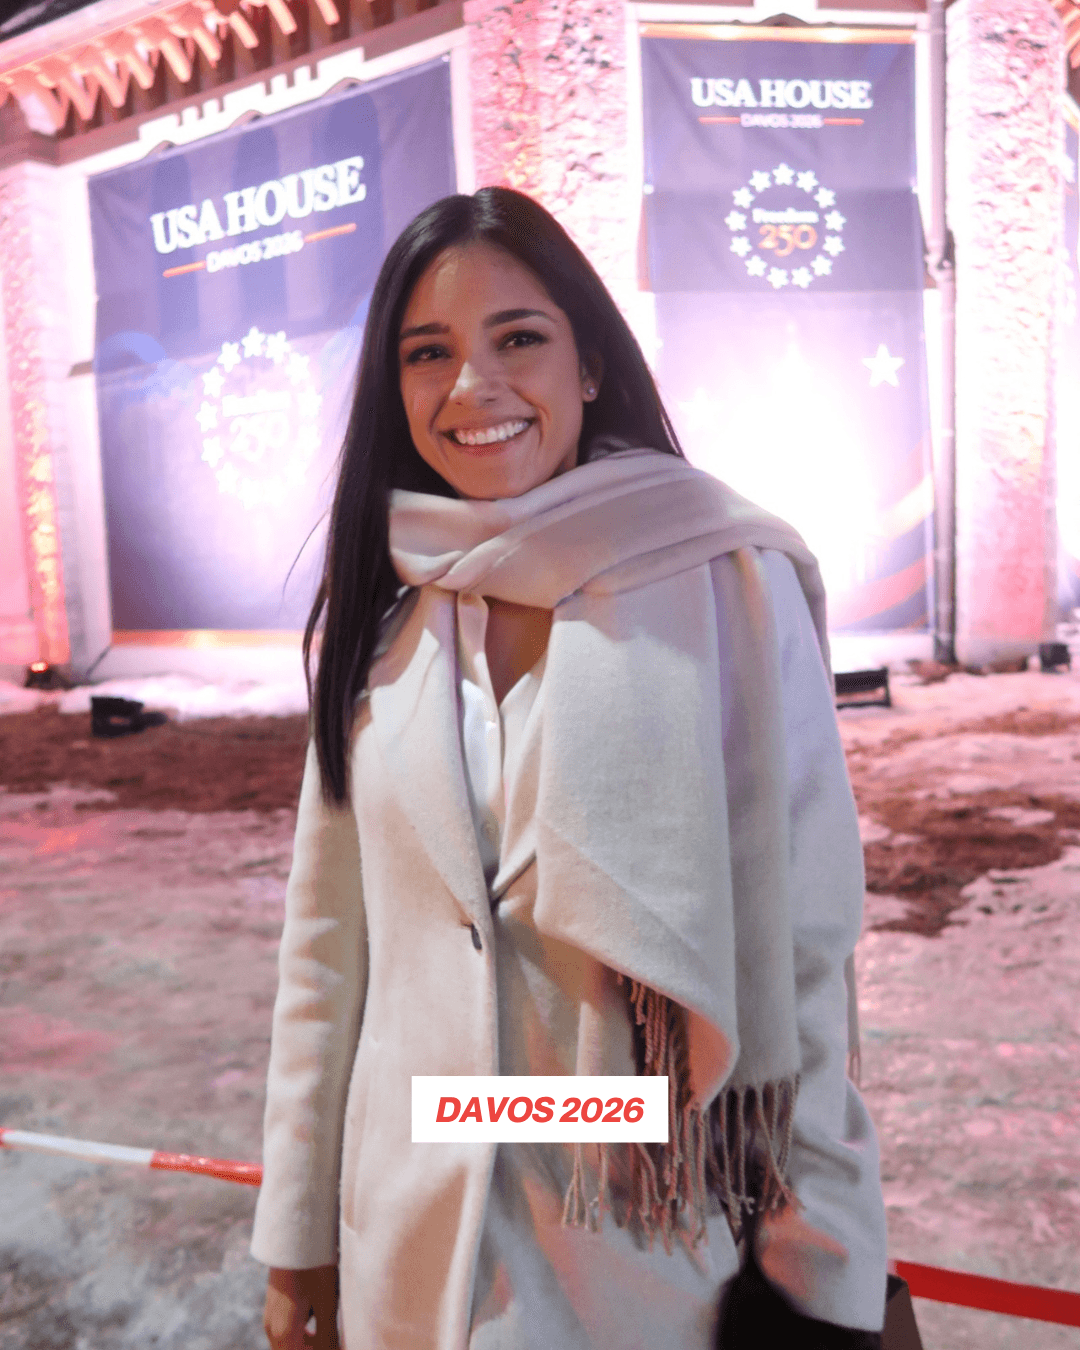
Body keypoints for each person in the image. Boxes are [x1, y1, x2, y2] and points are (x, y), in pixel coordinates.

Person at [250, 186, 888, 1350]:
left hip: (642, 1251)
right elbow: (327, 953)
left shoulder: (727, 581)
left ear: (589, 365)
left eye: (519, 339)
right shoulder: (389, 621)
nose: (471, 387)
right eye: (427, 352)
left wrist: (824, 1270)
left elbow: (807, 948)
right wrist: (298, 1238)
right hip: (409, 1255)